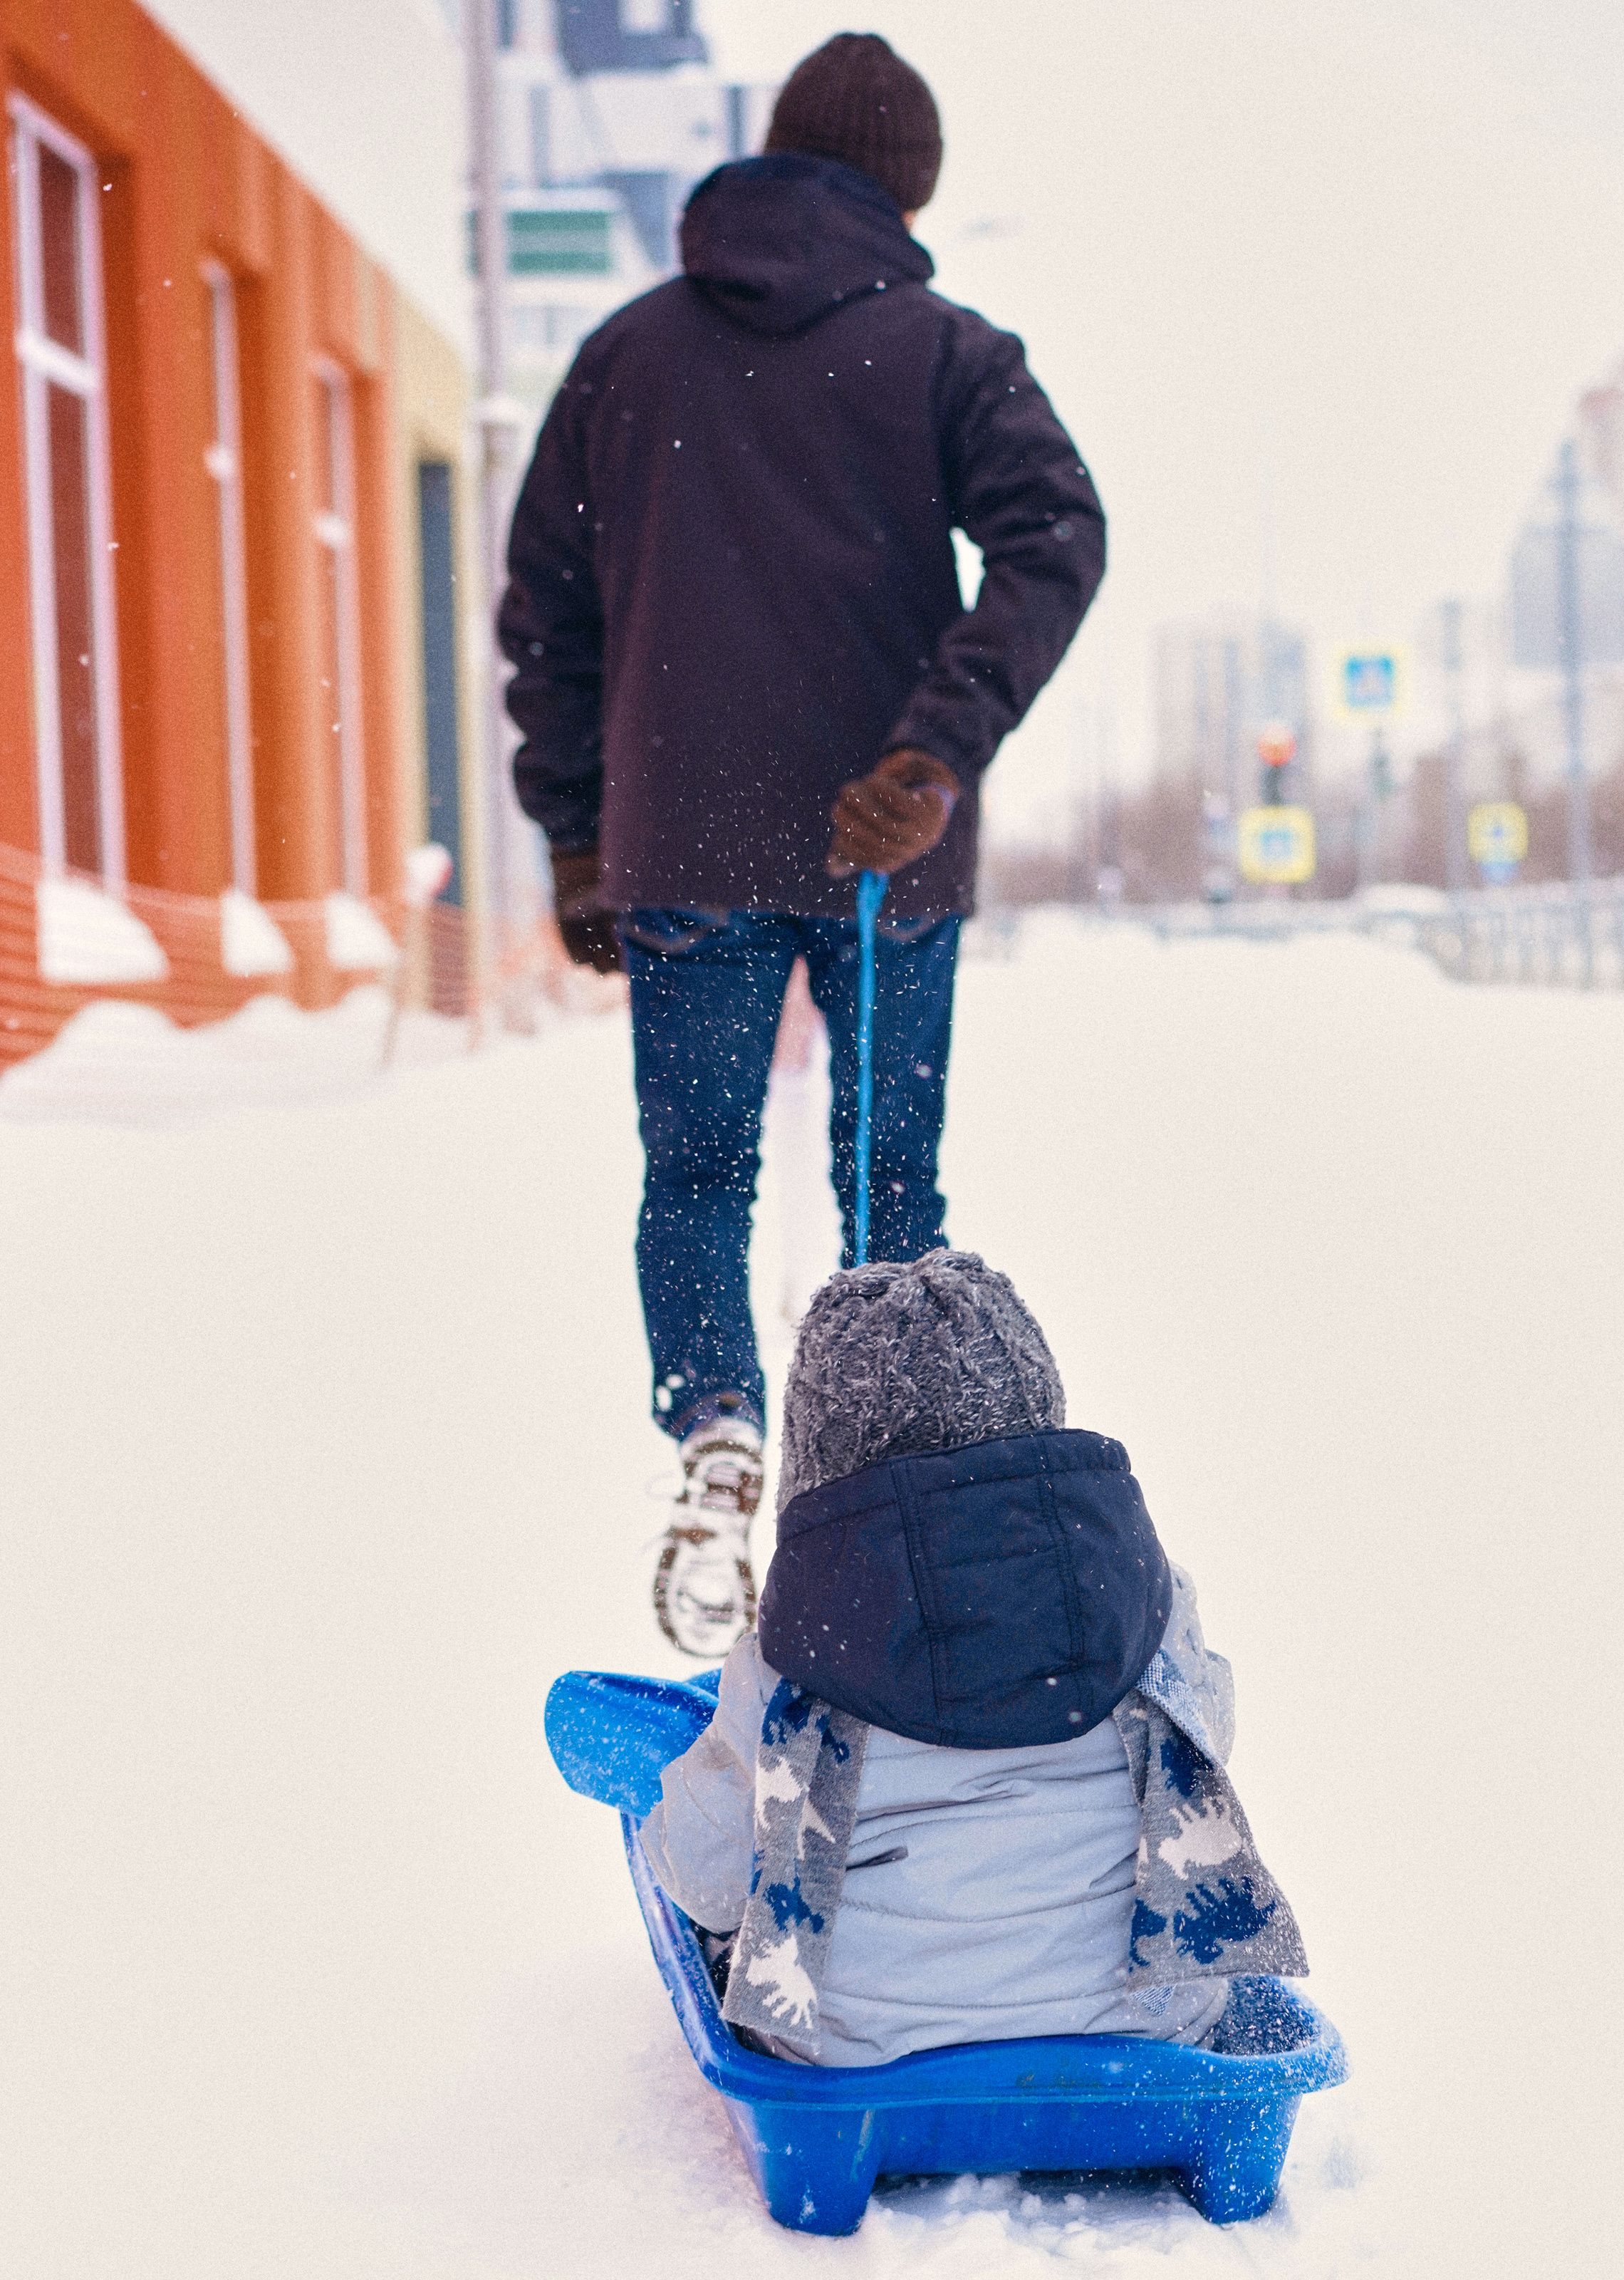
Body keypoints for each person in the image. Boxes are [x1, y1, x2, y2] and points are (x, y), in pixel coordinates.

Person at [499, 33, 1105, 1655]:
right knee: (883, 1182)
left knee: (695, 1172)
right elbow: (1059, 536)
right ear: (906, 192)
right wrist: (934, 746)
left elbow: (543, 613)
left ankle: (716, 1431)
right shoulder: (947, 354)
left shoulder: (627, 357)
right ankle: (881, 1489)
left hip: (679, 840)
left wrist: (574, 831)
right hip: (880, 852)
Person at [638, 1250, 1308, 2066]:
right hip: (1148, 2023)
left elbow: (707, 1879)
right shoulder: (1144, 1596)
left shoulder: (794, 1654)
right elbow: (1209, 1742)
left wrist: (662, 1820)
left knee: (732, 1917)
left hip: (856, 2042)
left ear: (817, 1449)